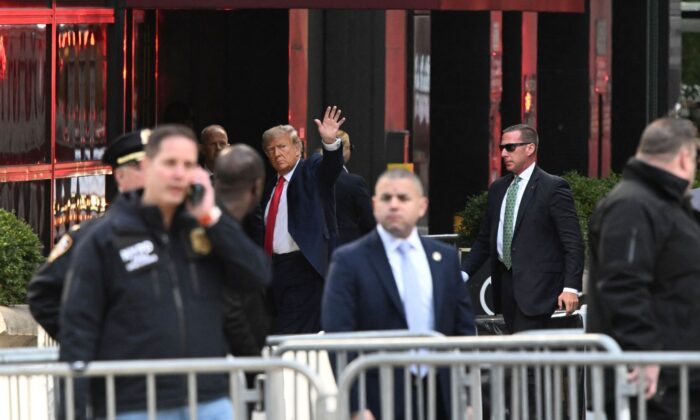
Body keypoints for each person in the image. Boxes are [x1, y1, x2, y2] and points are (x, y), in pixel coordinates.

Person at [59, 125, 270, 419]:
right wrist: (73, 410)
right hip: (136, 404)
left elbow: (257, 275)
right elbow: (77, 330)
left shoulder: (206, 228)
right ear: (148, 167)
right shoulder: (105, 237)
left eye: (187, 164)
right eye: (170, 163)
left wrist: (212, 217)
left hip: (208, 399)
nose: (179, 173)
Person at [322, 168, 476, 420]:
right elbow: (338, 336)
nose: (394, 205)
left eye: (403, 198)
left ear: (422, 206)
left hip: (440, 397)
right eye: (386, 198)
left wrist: (466, 396)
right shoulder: (349, 261)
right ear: (374, 205)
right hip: (378, 399)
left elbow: (464, 331)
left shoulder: (445, 259)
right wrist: (356, 405)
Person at [587, 117, 700, 418]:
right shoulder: (633, 205)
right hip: (653, 384)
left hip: (674, 378)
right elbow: (621, 284)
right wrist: (645, 354)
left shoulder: (660, 204)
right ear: (684, 157)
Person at [28, 129, 149, 341]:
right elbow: (43, 294)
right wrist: (90, 344)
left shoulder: (189, 230)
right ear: (121, 177)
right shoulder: (92, 235)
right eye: (145, 169)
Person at [461, 123, 584, 333]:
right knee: (517, 355)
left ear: (530, 148)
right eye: (501, 147)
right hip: (506, 287)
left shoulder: (553, 188)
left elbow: (572, 241)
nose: (503, 153)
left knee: (527, 357)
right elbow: (485, 240)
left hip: (540, 290)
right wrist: (461, 275)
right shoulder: (498, 189)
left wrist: (571, 288)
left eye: (510, 147)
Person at [262, 105, 345, 334]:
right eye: (271, 150)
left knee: (288, 336)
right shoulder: (269, 185)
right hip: (274, 271)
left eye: (282, 147)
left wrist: (330, 142)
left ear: (297, 148)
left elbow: (331, 169)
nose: (277, 153)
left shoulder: (311, 169)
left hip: (305, 268)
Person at [214, 144, 272, 356]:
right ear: (257, 188)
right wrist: (253, 364)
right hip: (223, 363)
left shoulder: (213, 223)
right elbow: (231, 308)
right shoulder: (215, 228)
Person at [334, 129, 374, 245]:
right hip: (349, 247)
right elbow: (368, 221)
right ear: (346, 150)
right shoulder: (354, 182)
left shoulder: (312, 177)